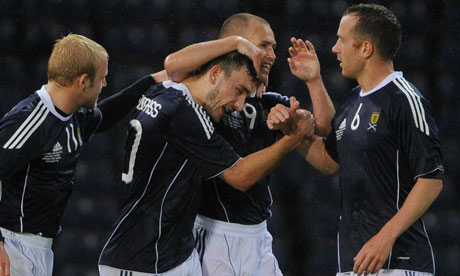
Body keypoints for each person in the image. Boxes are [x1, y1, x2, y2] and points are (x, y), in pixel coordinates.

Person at [97, 51, 315, 276]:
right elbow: (239, 175)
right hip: (142, 260)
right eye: (238, 91)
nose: (240, 105)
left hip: (173, 254)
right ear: (215, 74)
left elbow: (174, 67)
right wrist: (292, 140)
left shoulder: (160, 90)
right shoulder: (184, 112)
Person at [268, 4, 444, 276]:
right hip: (353, 262)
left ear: (365, 48)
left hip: (399, 262)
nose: (335, 48)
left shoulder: (405, 100)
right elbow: (329, 162)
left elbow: (431, 180)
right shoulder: (352, 100)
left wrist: (385, 238)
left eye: (342, 40)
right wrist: (292, 130)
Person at [164, 13, 335, 275]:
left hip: (259, 236)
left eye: (273, 48)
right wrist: (232, 45)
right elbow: (172, 67)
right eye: (263, 45)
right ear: (239, 43)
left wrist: (313, 81)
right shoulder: (204, 92)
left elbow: (324, 139)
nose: (272, 54)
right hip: (217, 234)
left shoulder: (267, 102)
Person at [0, 33, 164, 276]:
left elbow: (107, 114)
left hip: (37, 248)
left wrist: (155, 81)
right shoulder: (29, 121)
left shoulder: (72, 115)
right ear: (83, 81)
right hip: (13, 246)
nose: (105, 85)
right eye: (102, 79)